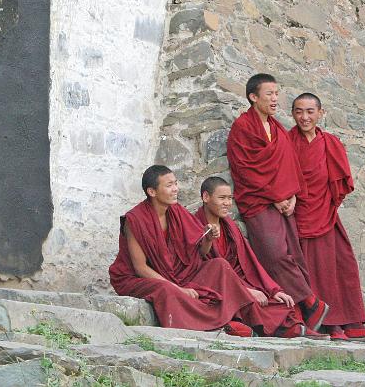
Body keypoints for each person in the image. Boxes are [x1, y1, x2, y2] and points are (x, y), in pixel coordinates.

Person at [109, 165, 309, 338]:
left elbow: (200, 252)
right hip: (138, 279)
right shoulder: (134, 220)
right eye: (169, 185)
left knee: (219, 265)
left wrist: (208, 239)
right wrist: (179, 289)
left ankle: (235, 321)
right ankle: (216, 325)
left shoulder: (177, 212)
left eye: (176, 183)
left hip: (178, 275)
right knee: (167, 290)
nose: (176, 189)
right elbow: (141, 268)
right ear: (152, 191)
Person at [226, 73, 329, 332]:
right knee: (274, 255)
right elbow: (246, 169)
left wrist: (292, 195)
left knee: (294, 256)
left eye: (276, 93)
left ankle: (298, 321)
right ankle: (308, 301)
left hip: (284, 203)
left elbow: (289, 164)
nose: (275, 99)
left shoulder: (278, 129)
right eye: (269, 94)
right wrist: (277, 196)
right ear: (253, 97)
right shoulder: (243, 127)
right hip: (258, 202)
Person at [289, 93, 365, 342]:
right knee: (315, 269)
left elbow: (341, 182)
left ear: (320, 113)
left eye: (310, 111)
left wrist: (327, 204)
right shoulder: (287, 141)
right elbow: (281, 176)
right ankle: (328, 326)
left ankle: (351, 323)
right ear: (292, 114)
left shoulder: (330, 142)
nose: (305, 117)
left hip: (327, 213)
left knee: (343, 265)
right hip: (301, 216)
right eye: (299, 111)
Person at [196, 177, 318, 327]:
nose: (227, 203)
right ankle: (282, 330)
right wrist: (245, 290)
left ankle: (290, 328)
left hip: (241, 283)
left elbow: (250, 262)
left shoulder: (230, 227)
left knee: (279, 302)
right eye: (222, 198)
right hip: (219, 287)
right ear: (206, 197)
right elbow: (202, 267)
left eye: (230, 198)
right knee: (252, 303)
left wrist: (272, 289)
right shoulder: (194, 225)